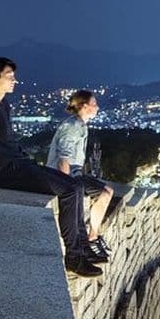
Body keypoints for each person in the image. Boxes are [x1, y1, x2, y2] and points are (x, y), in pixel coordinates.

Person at [0, 57, 102, 277]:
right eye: (9, 76)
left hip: (19, 163)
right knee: (69, 190)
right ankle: (74, 257)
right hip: (6, 170)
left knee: (76, 186)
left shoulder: (3, 104)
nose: (14, 80)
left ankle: (83, 249)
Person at [47, 90, 114, 260]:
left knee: (106, 192)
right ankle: (91, 240)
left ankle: (93, 237)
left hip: (74, 175)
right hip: (65, 176)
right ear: (84, 106)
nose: (97, 107)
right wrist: (66, 185)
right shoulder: (72, 127)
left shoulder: (80, 125)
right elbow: (63, 159)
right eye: (94, 104)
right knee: (104, 193)